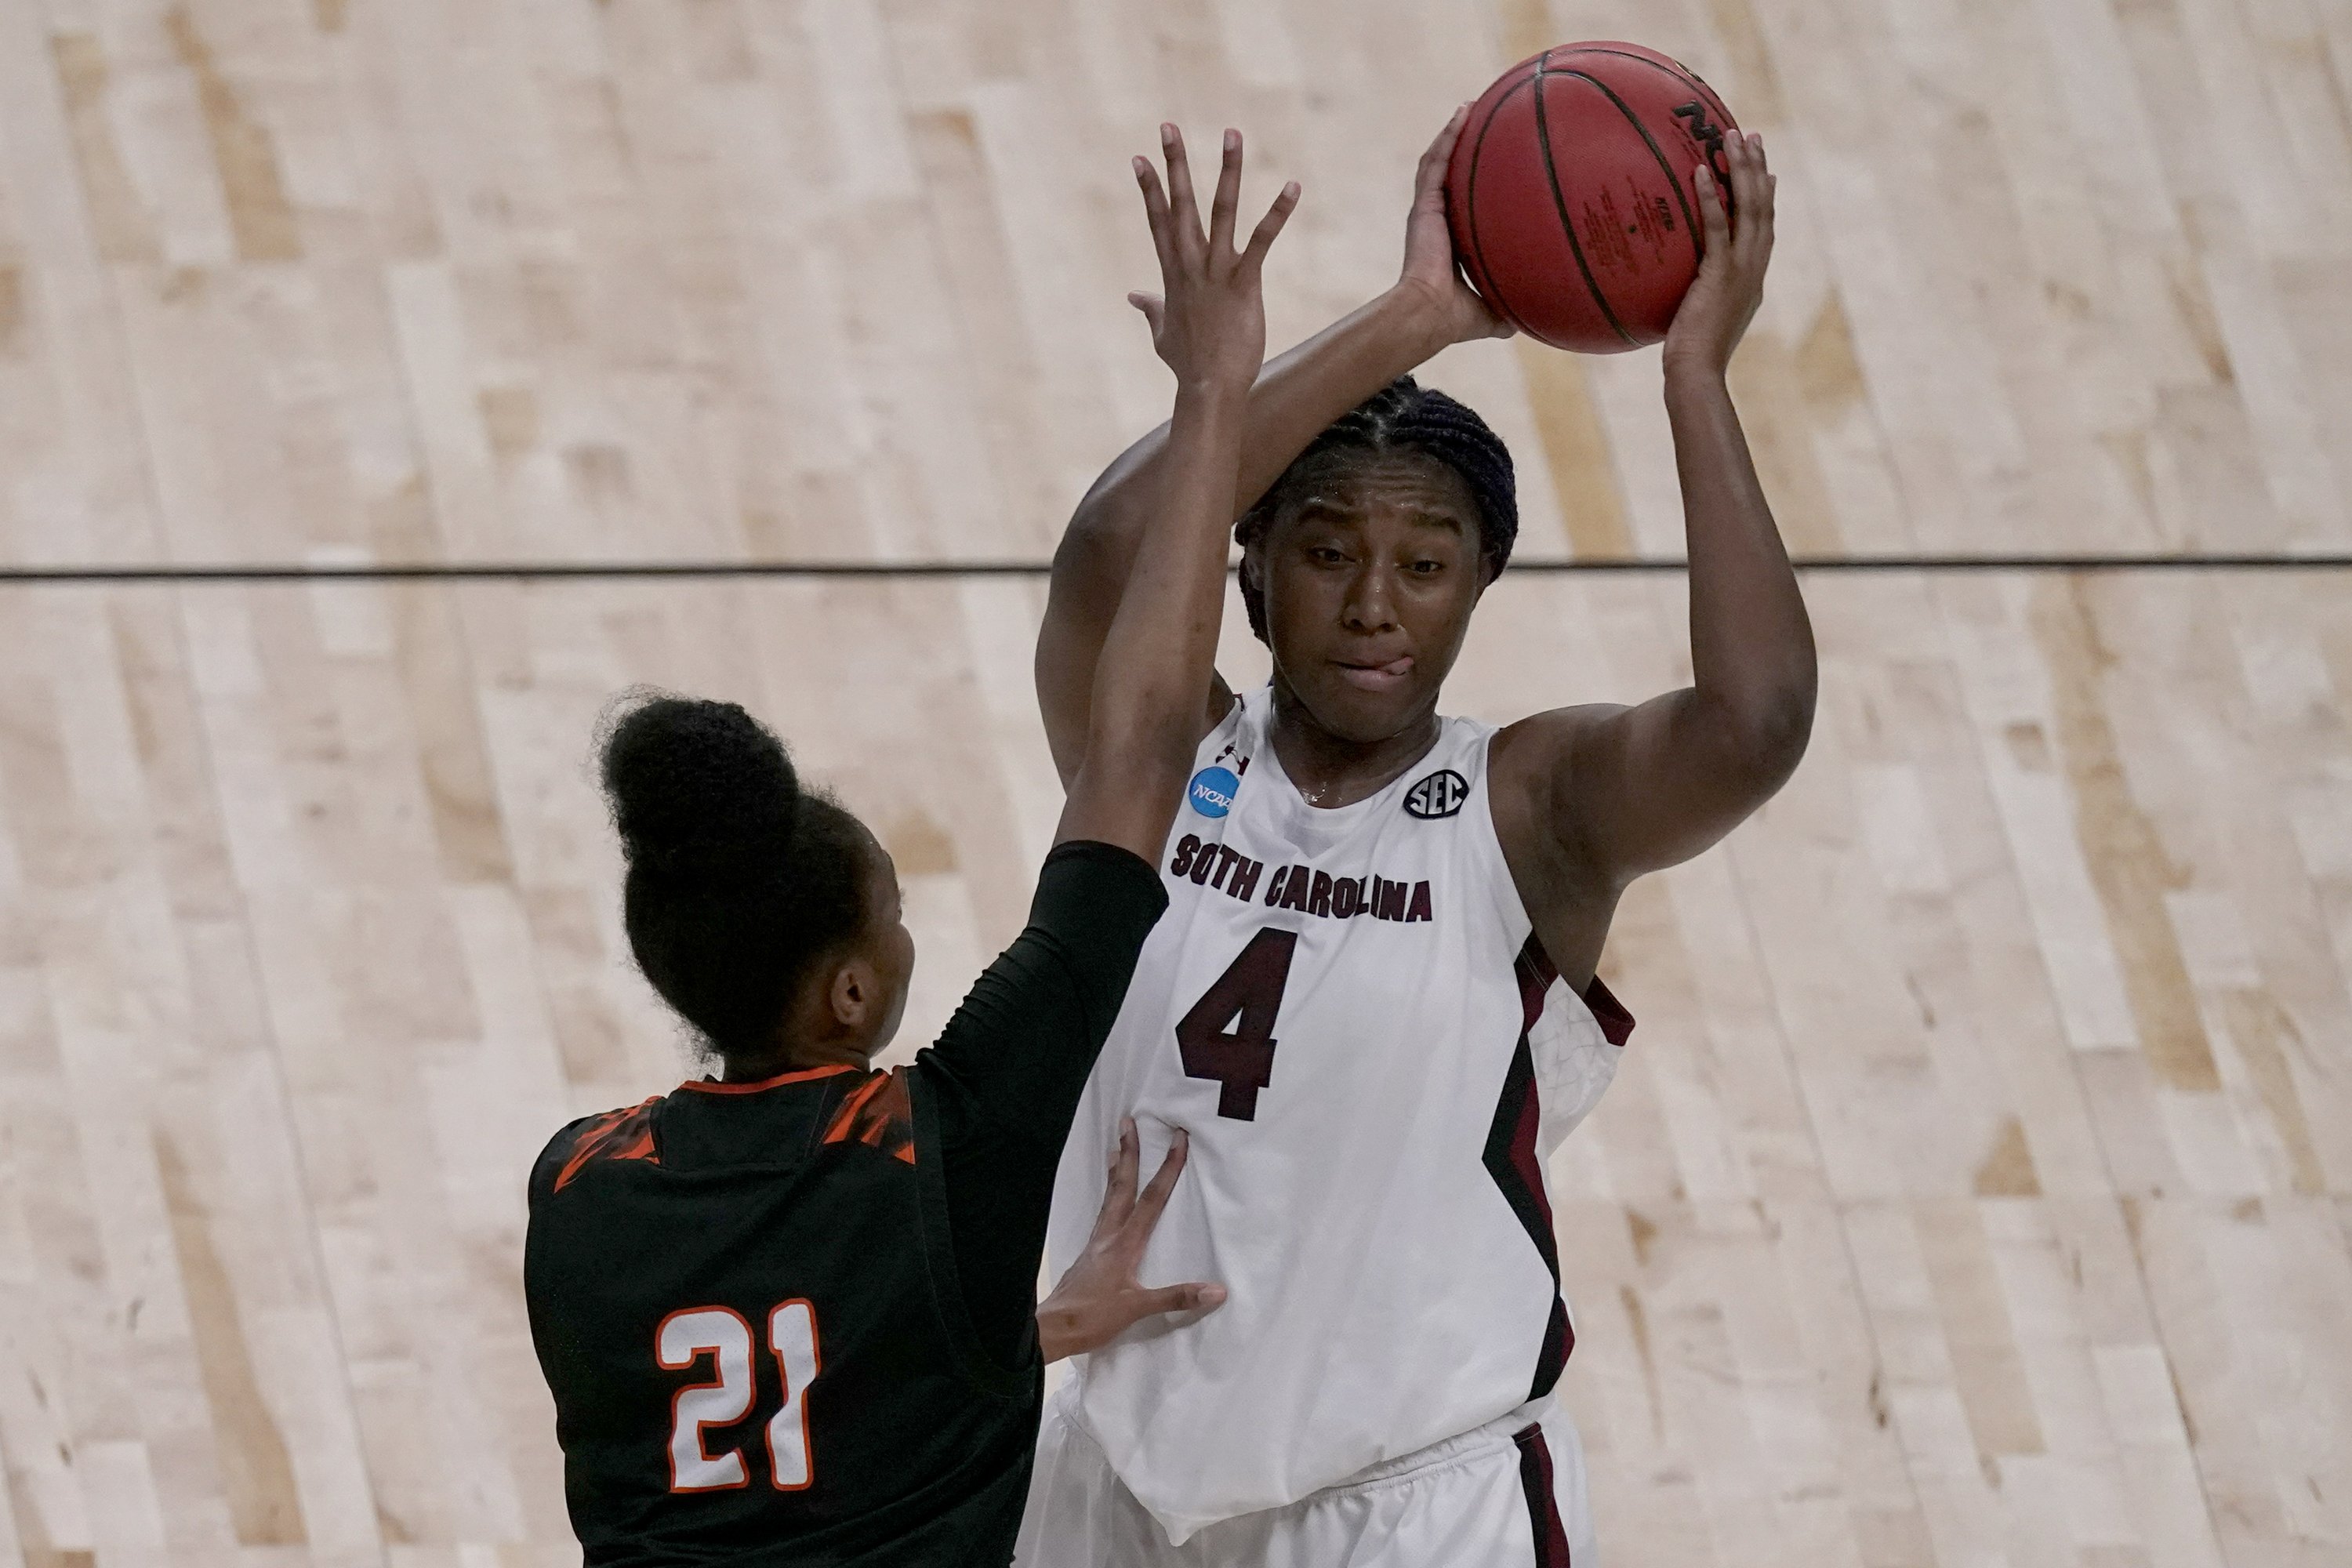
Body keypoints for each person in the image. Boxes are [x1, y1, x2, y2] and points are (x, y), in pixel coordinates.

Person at [1017, 112, 1809, 1566]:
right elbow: (1108, 561)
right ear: (1248, 574)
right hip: (1115, 1479)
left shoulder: (1531, 810)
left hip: (1414, 1507)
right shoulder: (1156, 764)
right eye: (1327, 554)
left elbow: (1752, 725)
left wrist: (1694, 373)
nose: (1375, 602)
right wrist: (1417, 318)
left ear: (1475, 588)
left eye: (1426, 565)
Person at [524, 129, 1299, 1566]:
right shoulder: (947, 1151)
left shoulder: (576, 1192)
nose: (907, 934)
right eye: (895, 916)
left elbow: (781, 1383)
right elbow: (1140, 753)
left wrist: (1034, 1325)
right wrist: (1213, 397)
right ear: (852, 995)